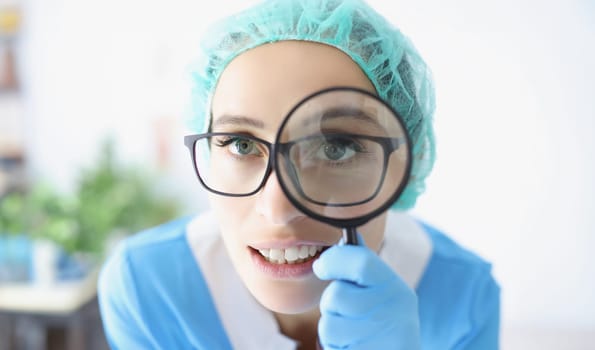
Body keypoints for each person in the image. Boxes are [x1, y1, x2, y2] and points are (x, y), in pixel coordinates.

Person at [98, 0, 500, 349]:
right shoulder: (147, 290)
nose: (277, 207)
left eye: (335, 147)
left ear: (404, 164)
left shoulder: (464, 300)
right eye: (241, 144)